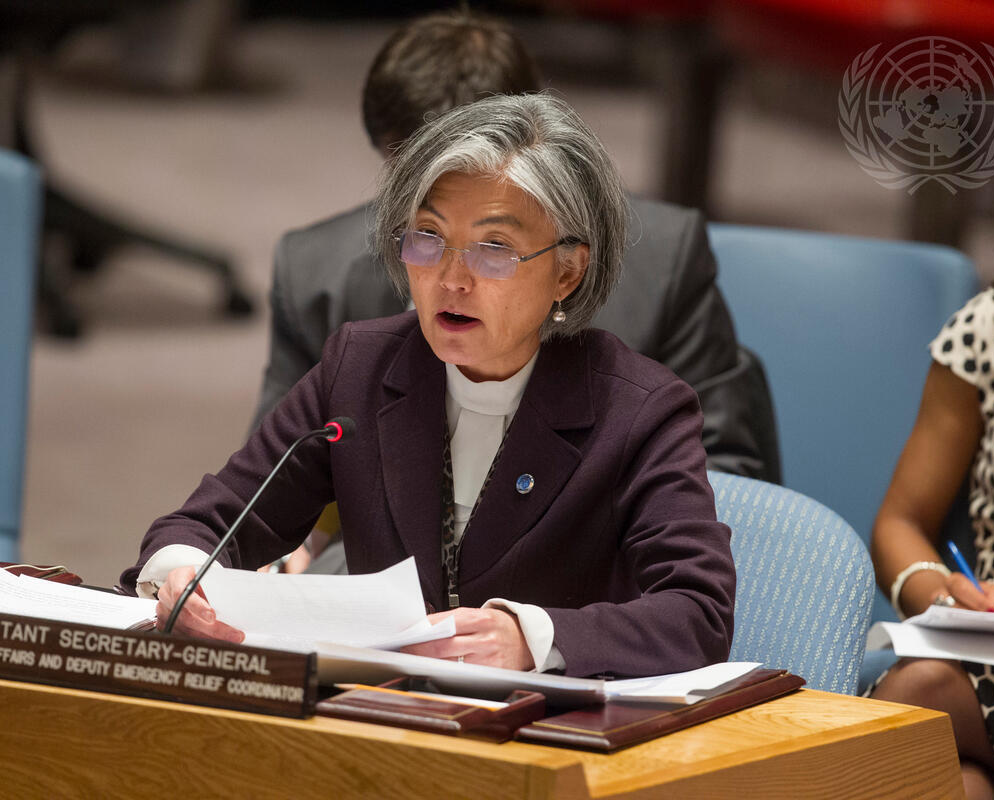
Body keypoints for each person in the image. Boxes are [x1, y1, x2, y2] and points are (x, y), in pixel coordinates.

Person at [121, 93, 735, 678]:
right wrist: (184, 576)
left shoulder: (639, 411)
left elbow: (698, 612)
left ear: (568, 272)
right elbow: (208, 523)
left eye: (494, 248)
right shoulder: (359, 369)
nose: (452, 279)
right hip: (378, 714)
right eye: (429, 238)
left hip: (549, 729)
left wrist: (534, 637)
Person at [256, 10, 775, 573]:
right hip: (375, 582)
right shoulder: (316, 276)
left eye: (494, 242)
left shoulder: (663, 268)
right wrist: (291, 550)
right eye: (416, 178)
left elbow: (725, 476)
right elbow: (273, 480)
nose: (453, 277)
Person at [869, 145, 994, 800]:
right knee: (955, 785)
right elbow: (900, 523)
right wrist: (941, 596)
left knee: (919, 696)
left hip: (976, 695)